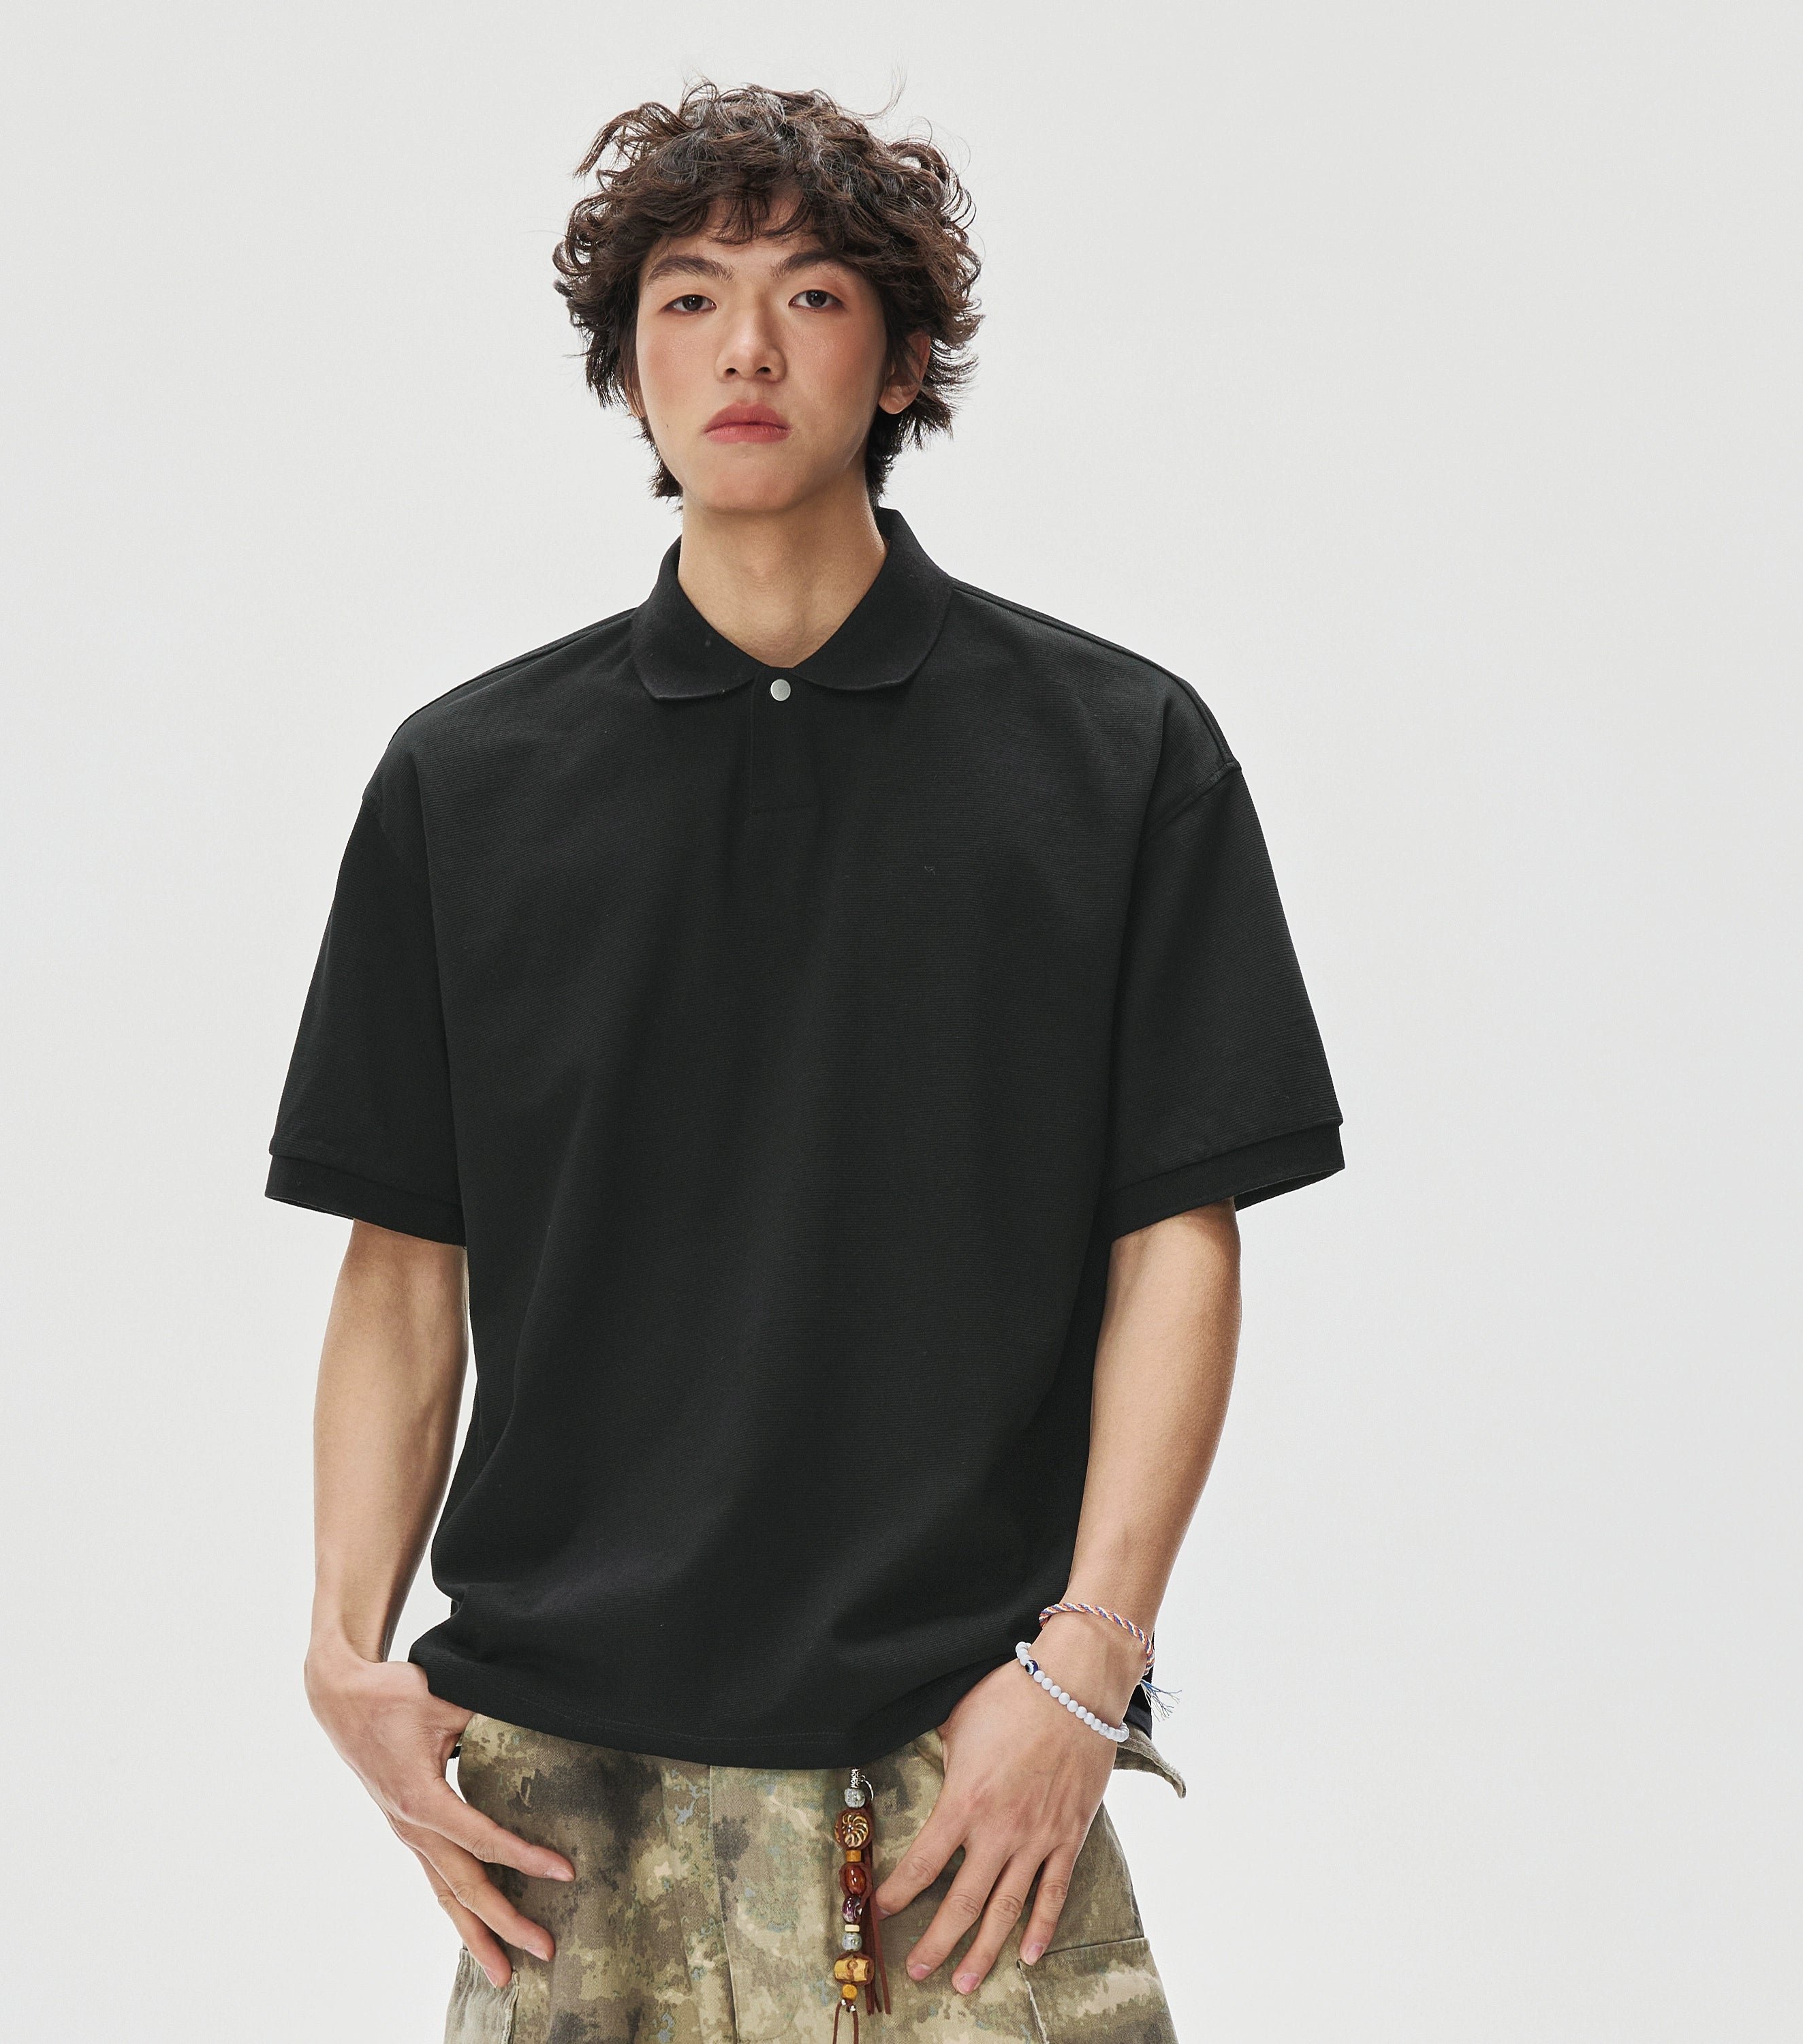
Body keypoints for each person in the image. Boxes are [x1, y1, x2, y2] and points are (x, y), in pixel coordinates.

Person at [266, 80, 1344, 2044]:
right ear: (629, 367)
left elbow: (1178, 1241)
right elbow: (404, 1258)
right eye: (687, 299)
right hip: (566, 1791)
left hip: (964, 1765)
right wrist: (346, 1651)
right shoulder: (467, 784)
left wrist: (1090, 1666)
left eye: (813, 295)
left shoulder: (1114, 756)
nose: (745, 349)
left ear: (903, 359)